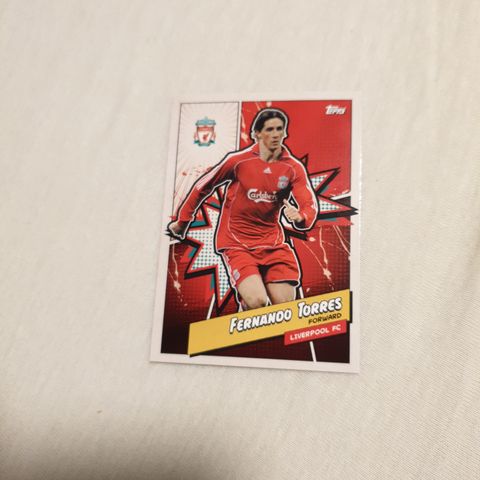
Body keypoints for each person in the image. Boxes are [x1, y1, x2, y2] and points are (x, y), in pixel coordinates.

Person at [168, 108, 318, 310]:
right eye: (269, 129)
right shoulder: (238, 161)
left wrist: (301, 217)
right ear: (257, 133)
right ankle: (246, 306)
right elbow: (202, 187)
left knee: (285, 309)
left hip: (273, 244)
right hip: (237, 242)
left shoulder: (293, 168)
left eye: (279, 129)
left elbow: (309, 204)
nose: (275, 134)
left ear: (285, 132)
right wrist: (183, 221)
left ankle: (250, 312)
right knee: (258, 302)